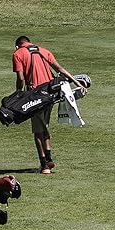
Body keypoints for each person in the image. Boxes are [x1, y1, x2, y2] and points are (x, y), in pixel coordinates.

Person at [12, 36, 86, 174]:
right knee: (43, 126)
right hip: (51, 94)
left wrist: (18, 95)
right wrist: (77, 83)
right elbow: (60, 69)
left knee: (37, 131)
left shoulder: (18, 54)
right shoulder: (43, 50)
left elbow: (20, 78)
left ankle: (44, 165)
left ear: (17, 46)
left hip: (35, 96)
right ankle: (49, 158)